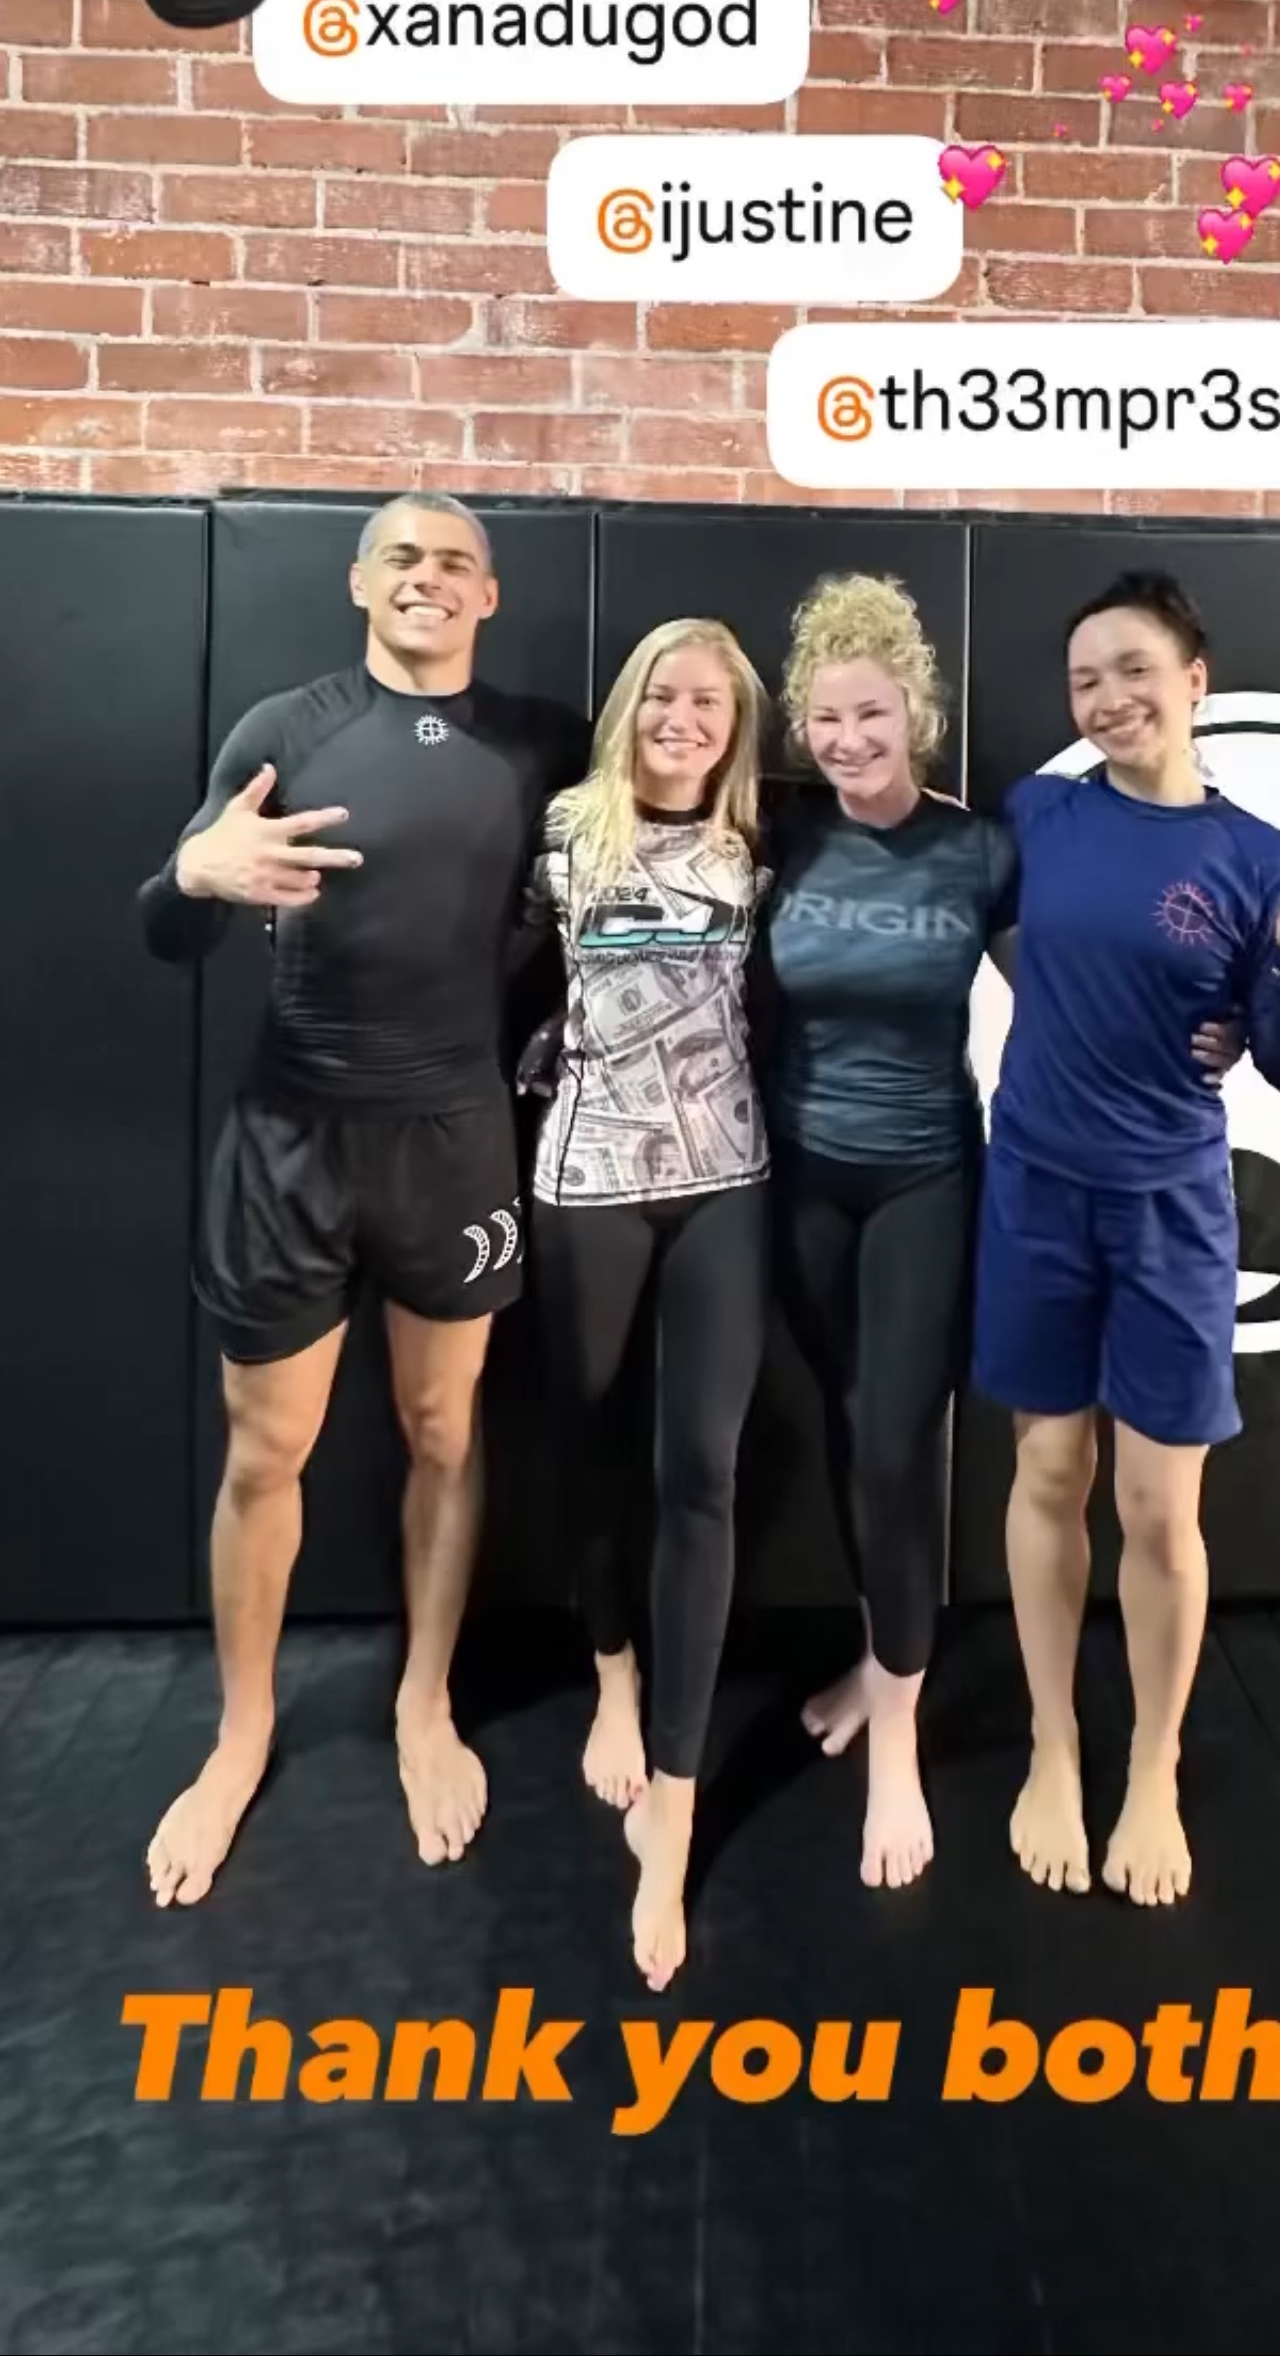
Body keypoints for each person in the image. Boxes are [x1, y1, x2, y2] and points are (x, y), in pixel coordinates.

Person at [138, 493, 584, 1908]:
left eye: (454, 561)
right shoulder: (286, 729)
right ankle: (241, 1733)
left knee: (445, 1430)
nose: (426, 578)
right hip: (292, 1139)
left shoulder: (546, 744)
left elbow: (689, 799)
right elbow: (167, 925)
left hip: (455, 1138)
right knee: (265, 1453)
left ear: (489, 596)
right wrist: (192, 872)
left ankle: (424, 1704)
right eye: (402, 557)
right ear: (358, 582)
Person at [974, 569, 1280, 1910]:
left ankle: (1152, 1767)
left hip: (1170, 1210)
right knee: (1048, 1471)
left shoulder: (1259, 861)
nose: (1108, 699)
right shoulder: (1041, 815)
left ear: (1194, 681)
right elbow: (1003, 942)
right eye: (1085, 680)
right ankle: (1054, 1744)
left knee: (1159, 1511)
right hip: (1035, 1191)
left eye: (1134, 670)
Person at [753, 573, 1015, 1894]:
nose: (850, 739)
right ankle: (878, 1657)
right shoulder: (781, 835)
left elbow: (1081, 983)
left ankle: (898, 1739)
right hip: (799, 1177)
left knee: (899, 1445)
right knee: (851, 1428)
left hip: (925, 1181)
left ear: (917, 711)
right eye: (827, 718)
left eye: (872, 713)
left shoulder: (980, 850)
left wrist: (1231, 1015)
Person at [523, 618, 770, 1991]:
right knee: (588, 1445)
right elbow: (476, 969)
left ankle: (674, 1801)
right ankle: (613, 1673)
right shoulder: (564, 833)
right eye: (665, 695)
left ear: (737, 726)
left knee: (703, 1477)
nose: (685, 718)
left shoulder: (761, 840)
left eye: (710, 703)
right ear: (630, 705)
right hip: (587, 1182)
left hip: (727, 1181)